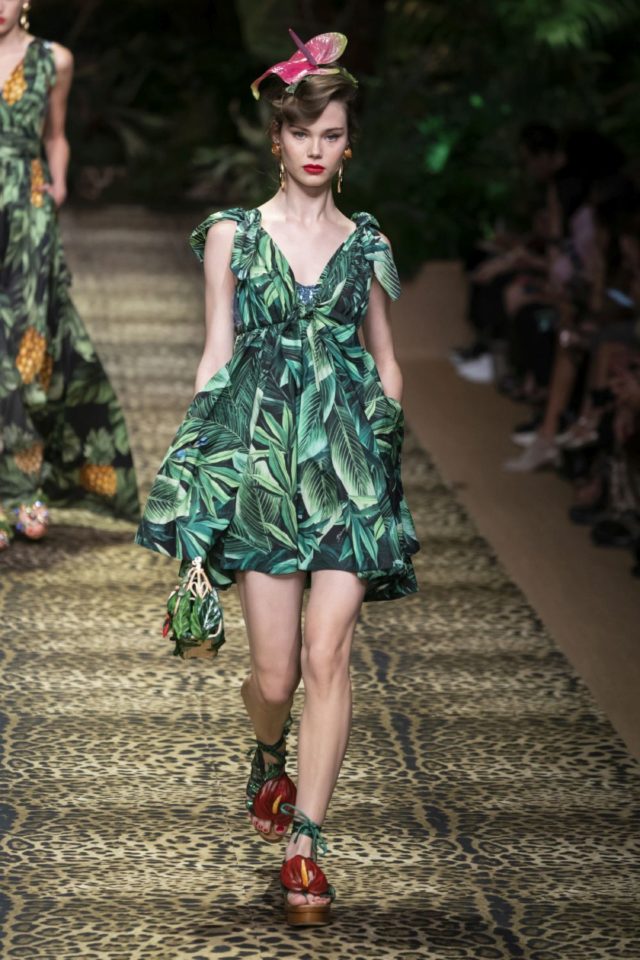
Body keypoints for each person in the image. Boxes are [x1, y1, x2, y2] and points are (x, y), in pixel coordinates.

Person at [135, 30, 419, 926]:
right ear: (277, 138)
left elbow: (387, 357)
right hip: (260, 467)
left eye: (332, 134)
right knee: (273, 675)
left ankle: (307, 845)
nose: (315, 149)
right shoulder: (232, 235)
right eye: (302, 133)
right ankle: (269, 756)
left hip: (345, 469)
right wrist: (196, 480)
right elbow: (216, 357)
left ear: (349, 143)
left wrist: (382, 449)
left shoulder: (366, 243)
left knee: (328, 653)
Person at [0, 0, 139, 549]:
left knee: (27, 346)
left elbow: (55, 133)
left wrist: (57, 185)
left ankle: (23, 487)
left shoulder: (54, 59)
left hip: (27, 215)